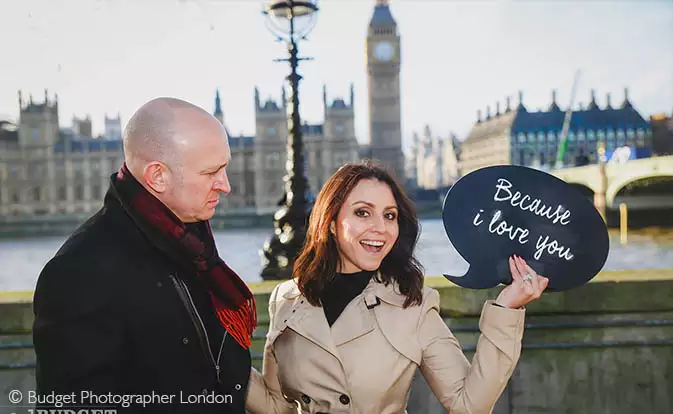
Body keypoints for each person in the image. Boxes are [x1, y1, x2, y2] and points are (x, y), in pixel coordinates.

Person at [246, 161, 549, 414]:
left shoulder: (413, 305)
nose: (380, 227)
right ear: (331, 222)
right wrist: (217, 357)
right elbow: (277, 405)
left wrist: (507, 308)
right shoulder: (286, 298)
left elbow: (468, 404)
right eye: (362, 212)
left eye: (389, 215)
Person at [32, 97, 256, 413]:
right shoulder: (81, 271)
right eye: (211, 173)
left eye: (225, 168)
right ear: (157, 177)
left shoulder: (192, 245)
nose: (226, 185)